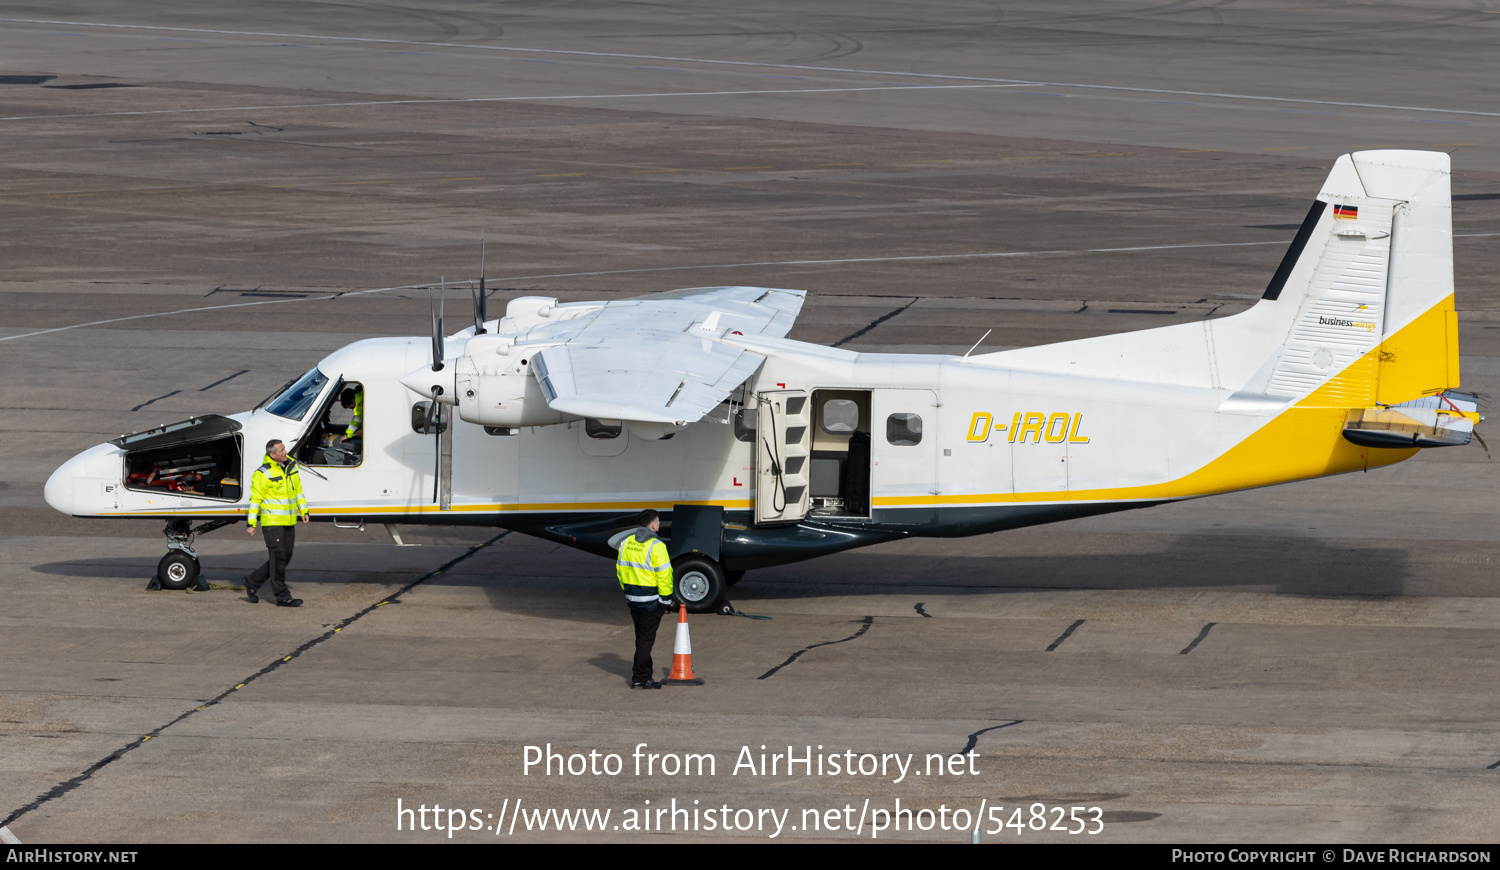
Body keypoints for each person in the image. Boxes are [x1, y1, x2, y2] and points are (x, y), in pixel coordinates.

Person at [613, 509, 675, 689]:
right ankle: (640, 678)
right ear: (654, 525)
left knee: (641, 638)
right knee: (645, 640)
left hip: (633, 599)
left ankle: (644, 675)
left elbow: (620, 570)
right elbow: (664, 575)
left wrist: (627, 591)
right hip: (651, 601)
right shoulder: (657, 546)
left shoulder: (626, 543)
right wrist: (666, 599)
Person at [244, 439, 309, 607]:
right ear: (272, 455)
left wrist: (304, 511)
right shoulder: (262, 473)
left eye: (284, 448)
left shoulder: (291, 466)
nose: (285, 452)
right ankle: (282, 596)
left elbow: (298, 492)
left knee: (284, 558)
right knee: (279, 558)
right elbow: (255, 500)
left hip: (288, 521)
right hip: (272, 523)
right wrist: (251, 524)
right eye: (281, 450)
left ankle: (252, 582)